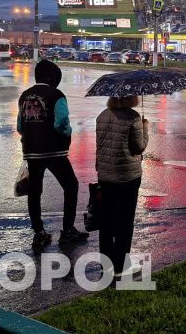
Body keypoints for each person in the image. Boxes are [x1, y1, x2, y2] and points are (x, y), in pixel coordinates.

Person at [17, 60, 88, 247]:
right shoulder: (57, 95)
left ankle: (39, 232)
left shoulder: (24, 96)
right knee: (71, 186)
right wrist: (66, 132)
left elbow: (20, 126)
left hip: (31, 151)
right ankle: (67, 229)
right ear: (53, 77)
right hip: (54, 150)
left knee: (34, 191)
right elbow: (62, 120)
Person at [95, 96, 148, 276]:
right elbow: (138, 147)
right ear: (131, 98)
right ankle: (121, 266)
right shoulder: (133, 118)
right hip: (127, 177)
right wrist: (145, 128)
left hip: (105, 175)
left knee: (107, 221)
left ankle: (107, 265)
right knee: (125, 222)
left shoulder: (102, 116)